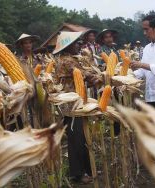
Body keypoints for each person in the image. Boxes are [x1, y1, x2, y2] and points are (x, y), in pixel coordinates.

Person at [52, 31, 101, 184]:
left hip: (78, 103)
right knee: (76, 140)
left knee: (84, 136)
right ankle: (77, 174)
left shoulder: (71, 59)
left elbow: (87, 73)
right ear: (68, 46)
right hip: (71, 106)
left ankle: (89, 168)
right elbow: (85, 74)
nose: (79, 45)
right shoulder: (67, 61)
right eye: (76, 43)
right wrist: (103, 77)